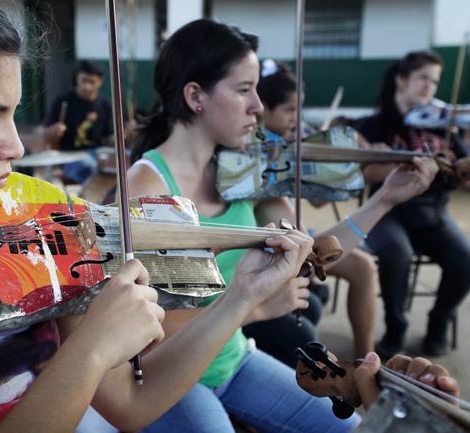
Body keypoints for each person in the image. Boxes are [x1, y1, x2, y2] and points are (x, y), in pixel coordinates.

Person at [0, 2, 330, 433]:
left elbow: (133, 403)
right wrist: (87, 351)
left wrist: (241, 297)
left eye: (14, 114)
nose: (15, 146)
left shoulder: (28, 237)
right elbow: (94, 369)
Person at [126, 18, 437, 433]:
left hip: (235, 360)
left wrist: (386, 199)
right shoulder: (149, 184)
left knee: (349, 429)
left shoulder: (244, 171)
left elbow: (314, 252)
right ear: (196, 96)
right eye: (243, 90)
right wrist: (255, 307)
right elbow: (149, 332)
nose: (258, 105)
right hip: (173, 379)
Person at [241, 61, 379, 363]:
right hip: (267, 243)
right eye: (290, 110)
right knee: (346, 278)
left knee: (360, 268)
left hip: (291, 234)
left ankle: (365, 358)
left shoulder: (288, 144)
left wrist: (354, 162)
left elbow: (315, 204)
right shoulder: (255, 151)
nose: (297, 119)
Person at [356, 50, 470, 358]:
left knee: (465, 257)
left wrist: (458, 168)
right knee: (396, 252)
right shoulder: (376, 124)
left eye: (434, 81)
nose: (429, 87)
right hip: (388, 213)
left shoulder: (443, 125)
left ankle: (438, 322)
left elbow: (461, 171)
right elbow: (361, 174)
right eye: (422, 78)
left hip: (432, 214)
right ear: (401, 79)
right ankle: (396, 326)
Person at [41, 60, 114, 184]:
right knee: (89, 167)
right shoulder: (63, 101)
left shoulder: (105, 105)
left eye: (91, 82)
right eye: (83, 80)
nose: (86, 86)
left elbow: (109, 138)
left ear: (100, 82)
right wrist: (53, 131)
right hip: (70, 156)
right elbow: (44, 134)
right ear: (77, 78)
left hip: (96, 154)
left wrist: (122, 137)